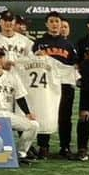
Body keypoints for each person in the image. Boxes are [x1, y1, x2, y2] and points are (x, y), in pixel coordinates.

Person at [30, 11, 78, 159]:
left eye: (57, 21)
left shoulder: (68, 45)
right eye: (51, 21)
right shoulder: (38, 43)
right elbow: (30, 63)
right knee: (44, 115)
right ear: (46, 24)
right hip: (45, 87)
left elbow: (75, 65)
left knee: (65, 117)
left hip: (64, 86)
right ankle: (43, 146)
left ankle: (65, 147)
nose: (54, 24)